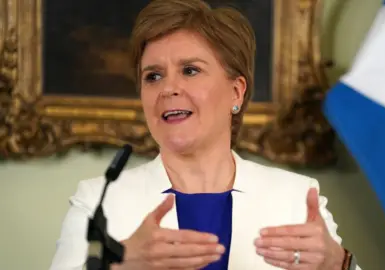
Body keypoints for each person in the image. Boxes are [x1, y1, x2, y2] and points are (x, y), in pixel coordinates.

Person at [49, 0, 360, 269]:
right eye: (153, 76)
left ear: (236, 92)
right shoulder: (99, 202)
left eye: (190, 70)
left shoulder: (295, 198)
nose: (168, 88)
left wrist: (337, 263)